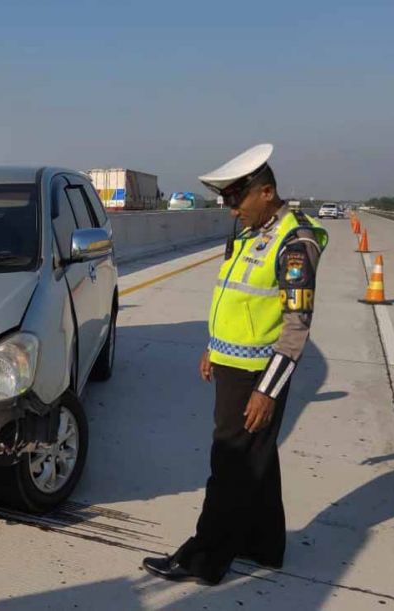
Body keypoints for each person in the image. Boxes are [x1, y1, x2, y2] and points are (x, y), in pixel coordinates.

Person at [142, 144, 328, 585]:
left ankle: (203, 559)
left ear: (266, 192)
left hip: (256, 375)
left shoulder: (294, 241)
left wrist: (268, 389)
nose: (229, 210)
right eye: (225, 200)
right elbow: (233, 294)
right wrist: (213, 344)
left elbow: (296, 325)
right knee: (256, 458)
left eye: (235, 199)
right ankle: (265, 546)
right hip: (230, 363)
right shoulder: (248, 232)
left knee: (229, 462)